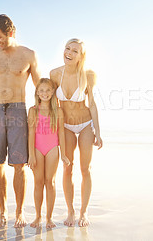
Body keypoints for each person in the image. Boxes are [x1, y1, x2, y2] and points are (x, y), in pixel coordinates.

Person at [0, 14, 40, 228]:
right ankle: (3, 211)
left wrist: (43, 113)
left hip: (18, 109)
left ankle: (19, 211)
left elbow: (39, 86)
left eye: (0, 37)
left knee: (19, 164)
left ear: (11, 33)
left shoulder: (29, 55)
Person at [50, 38, 103, 227]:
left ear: (81, 56)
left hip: (85, 124)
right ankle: (71, 211)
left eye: (75, 51)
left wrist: (98, 130)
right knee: (67, 168)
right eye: (67, 49)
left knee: (85, 169)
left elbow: (93, 104)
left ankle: (84, 212)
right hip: (66, 127)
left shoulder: (88, 75)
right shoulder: (55, 74)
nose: (69, 53)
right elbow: (51, 104)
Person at [27, 78, 70, 229]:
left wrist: (63, 154)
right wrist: (31, 154)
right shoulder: (33, 110)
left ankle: (49, 217)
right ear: (37, 93)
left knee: (50, 182)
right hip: (37, 149)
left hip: (52, 148)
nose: (44, 93)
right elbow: (31, 133)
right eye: (41, 91)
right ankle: (38, 216)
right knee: (38, 183)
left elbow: (62, 133)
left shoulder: (58, 111)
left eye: (47, 90)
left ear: (52, 92)